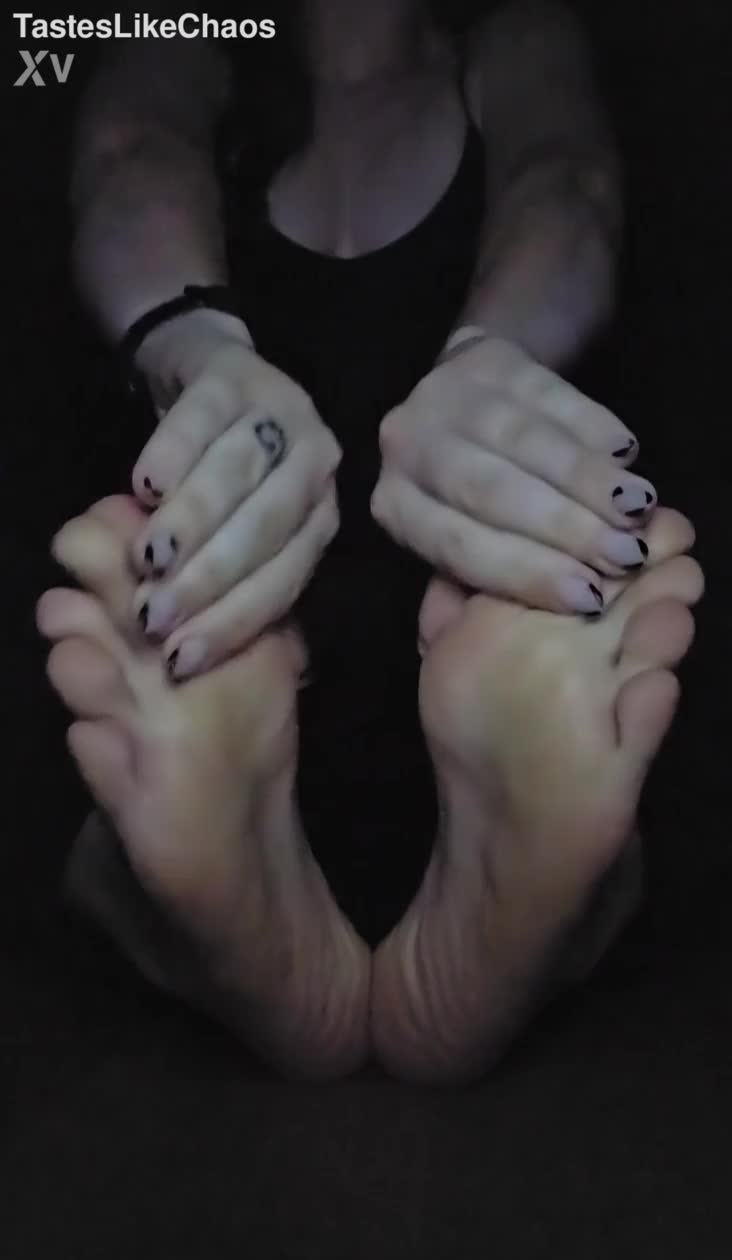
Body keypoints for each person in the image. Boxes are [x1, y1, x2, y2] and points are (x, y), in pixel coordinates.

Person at [37, 0, 703, 1082]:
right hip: (245, 638)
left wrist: (495, 368)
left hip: (450, 652)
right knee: (175, 612)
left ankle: (172, 899)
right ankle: (160, 883)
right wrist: (196, 353)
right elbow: (129, 151)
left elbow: (567, 184)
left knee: (533, 599)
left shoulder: (515, 35)